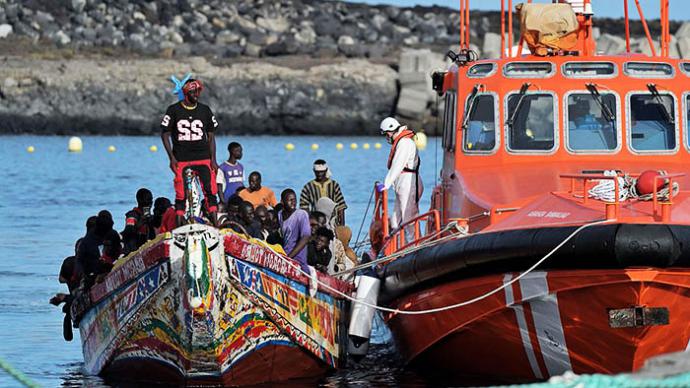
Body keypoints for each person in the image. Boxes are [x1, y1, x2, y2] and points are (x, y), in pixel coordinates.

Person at [160, 78, 220, 227]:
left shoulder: (205, 110)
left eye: (198, 91)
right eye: (193, 92)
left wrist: (213, 159)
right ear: (186, 92)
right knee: (181, 193)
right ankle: (180, 225)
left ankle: (216, 225)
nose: (196, 95)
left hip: (203, 157)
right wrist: (171, 158)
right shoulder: (173, 110)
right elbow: (164, 134)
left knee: (210, 190)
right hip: (182, 158)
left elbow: (211, 135)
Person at [377, 117, 423, 234]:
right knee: (395, 222)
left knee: (408, 220)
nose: (387, 137)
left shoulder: (404, 143)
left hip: (408, 183)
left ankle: (413, 246)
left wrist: (386, 184)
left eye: (387, 134)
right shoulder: (402, 142)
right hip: (402, 182)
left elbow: (398, 165)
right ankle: (396, 246)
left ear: (391, 130)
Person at [299, 159, 347, 225]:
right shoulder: (308, 187)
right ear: (314, 171)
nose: (319, 174)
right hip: (316, 222)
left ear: (326, 170)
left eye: (321, 172)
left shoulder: (334, 185)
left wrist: (342, 226)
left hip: (333, 222)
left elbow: (341, 207)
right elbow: (304, 208)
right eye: (317, 172)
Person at [278, 189, 311, 272]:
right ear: (282, 202)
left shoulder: (301, 215)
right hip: (284, 256)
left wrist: (289, 258)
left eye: (295, 200)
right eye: (290, 200)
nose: (293, 202)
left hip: (297, 260)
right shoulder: (280, 214)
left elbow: (305, 237)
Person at [121, 188, 156, 255]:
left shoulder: (150, 217)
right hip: (132, 251)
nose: (150, 202)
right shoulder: (132, 215)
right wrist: (141, 222)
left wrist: (150, 222)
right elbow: (128, 230)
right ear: (140, 200)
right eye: (147, 200)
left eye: (151, 200)